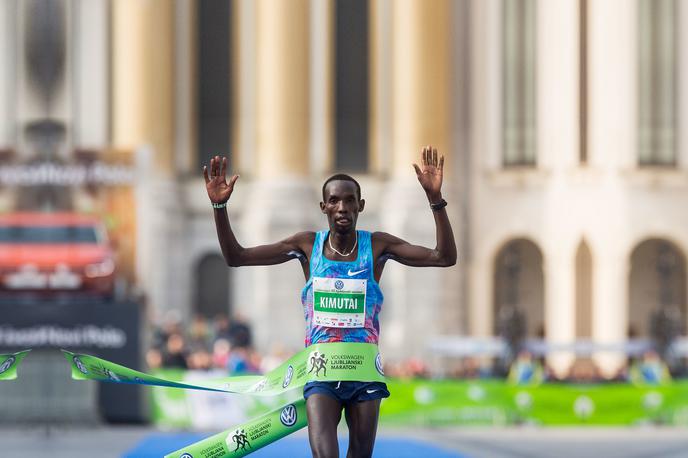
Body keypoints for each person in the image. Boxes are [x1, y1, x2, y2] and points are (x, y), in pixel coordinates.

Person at [203, 145, 456, 458]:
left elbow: (444, 257)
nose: (342, 208)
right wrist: (219, 207)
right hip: (321, 372)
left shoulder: (376, 246)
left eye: (349, 201)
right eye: (334, 200)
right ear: (323, 206)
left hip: (363, 372)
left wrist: (435, 200)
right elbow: (236, 256)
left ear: (360, 205)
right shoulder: (307, 246)